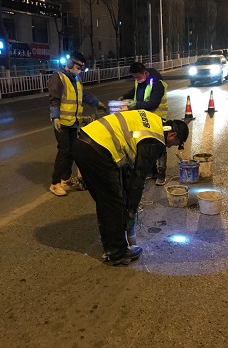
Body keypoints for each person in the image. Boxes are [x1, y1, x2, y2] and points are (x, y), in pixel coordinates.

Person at [72, 110, 189, 266]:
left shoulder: (154, 121)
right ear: (173, 134)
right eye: (174, 143)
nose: (170, 146)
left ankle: (111, 245)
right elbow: (138, 178)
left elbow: (129, 166)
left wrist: (128, 199)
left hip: (85, 143)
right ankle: (117, 253)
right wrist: (132, 210)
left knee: (108, 200)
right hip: (97, 151)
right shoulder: (154, 141)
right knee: (113, 204)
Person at [48, 50, 108, 196]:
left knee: (71, 152)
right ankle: (55, 184)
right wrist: (55, 117)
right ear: (70, 63)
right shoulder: (58, 78)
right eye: (78, 66)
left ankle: (65, 179)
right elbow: (54, 99)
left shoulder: (76, 79)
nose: (79, 70)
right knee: (64, 151)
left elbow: (83, 95)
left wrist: (96, 103)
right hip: (62, 123)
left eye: (81, 67)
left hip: (74, 122)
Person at [121, 62, 168, 185]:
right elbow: (135, 91)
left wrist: (136, 105)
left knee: (159, 146)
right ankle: (152, 171)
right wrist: (124, 97)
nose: (137, 79)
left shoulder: (157, 84)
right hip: (143, 118)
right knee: (146, 145)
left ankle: (161, 174)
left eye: (138, 76)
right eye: (135, 77)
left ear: (145, 72)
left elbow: (153, 103)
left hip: (157, 119)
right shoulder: (139, 81)